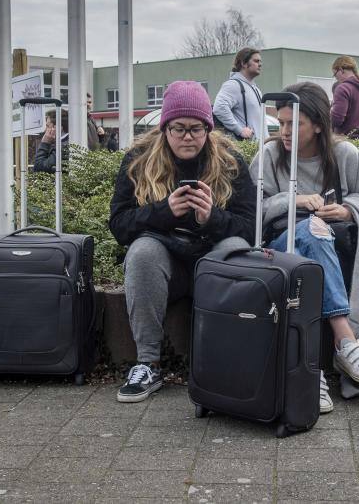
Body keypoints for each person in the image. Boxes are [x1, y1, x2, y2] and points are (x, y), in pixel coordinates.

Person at [251, 81, 359, 414]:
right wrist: (293, 200)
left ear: (317, 124)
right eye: (280, 122)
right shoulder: (270, 155)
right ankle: (347, 343)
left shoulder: (344, 155)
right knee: (311, 231)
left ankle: (309, 374)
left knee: (312, 241)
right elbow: (252, 210)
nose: (283, 131)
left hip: (333, 249)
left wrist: (347, 210)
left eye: (293, 123)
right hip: (278, 246)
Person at [109, 81, 256, 403]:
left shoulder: (229, 160)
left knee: (235, 251)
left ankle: (223, 362)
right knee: (142, 251)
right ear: (165, 129)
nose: (188, 137)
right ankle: (147, 363)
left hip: (212, 263)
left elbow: (249, 228)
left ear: (208, 128)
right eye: (178, 128)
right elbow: (119, 225)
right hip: (167, 266)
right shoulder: (139, 159)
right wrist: (164, 212)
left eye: (196, 128)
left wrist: (211, 218)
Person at [212, 48, 263, 140]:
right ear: (243, 63)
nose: (260, 64)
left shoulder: (256, 89)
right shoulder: (233, 85)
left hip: (260, 148)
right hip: (247, 150)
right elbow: (219, 108)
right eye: (256, 61)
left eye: (260, 61)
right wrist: (240, 130)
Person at [330, 56, 359, 138]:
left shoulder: (343, 88)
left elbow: (336, 120)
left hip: (347, 140)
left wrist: (330, 112)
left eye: (335, 74)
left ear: (341, 70)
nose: (336, 78)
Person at [33, 109, 69, 173]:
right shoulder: (61, 142)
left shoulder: (63, 147)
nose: (45, 129)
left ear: (58, 128)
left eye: (47, 126)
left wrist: (45, 143)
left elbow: (39, 168)